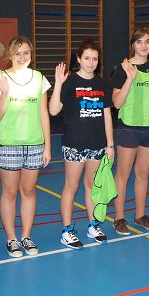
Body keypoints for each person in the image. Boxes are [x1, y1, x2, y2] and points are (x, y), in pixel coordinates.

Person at [49, 40, 114, 249]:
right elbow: (53, 110)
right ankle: (67, 230)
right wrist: (58, 83)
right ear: (78, 59)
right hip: (74, 144)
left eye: (95, 59)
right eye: (87, 58)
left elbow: (107, 115)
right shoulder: (69, 82)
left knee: (92, 186)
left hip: (97, 144)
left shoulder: (102, 84)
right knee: (71, 186)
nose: (91, 62)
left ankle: (93, 225)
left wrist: (110, 145)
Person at [0, 36, 51, 257]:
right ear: (10, 55)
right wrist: (5, 94)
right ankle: (11, 238)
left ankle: (26, 236)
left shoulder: (39, 78)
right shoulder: (0, 79)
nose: (22, 57)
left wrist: (47, 146)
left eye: (26, 52)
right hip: (8, 144)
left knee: (29, 190)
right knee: (10, 192)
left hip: (34, 144)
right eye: (17, 53)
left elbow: (43, 113)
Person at [111, 28, 149, 236]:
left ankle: (140, 215)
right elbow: (117, 103)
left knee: (143, 173)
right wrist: (129, 78)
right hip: (129, 127)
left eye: (147, 41)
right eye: (139, 42)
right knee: (123, 174)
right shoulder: (123, 68)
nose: (144, 46)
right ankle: (119, 218)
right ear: (133, 45)